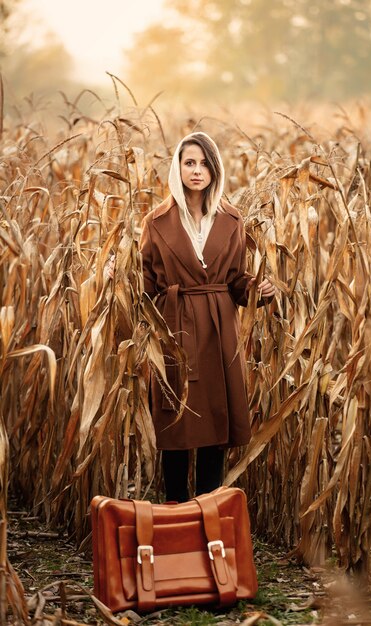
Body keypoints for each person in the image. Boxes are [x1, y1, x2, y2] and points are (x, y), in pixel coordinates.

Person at [108, 132, 275, 502]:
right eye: (189, 163)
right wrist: (118, 280)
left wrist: (257, 291)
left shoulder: (232, 218)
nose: (196, 170)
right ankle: (175, 513)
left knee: (216, 423)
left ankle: (208, 513)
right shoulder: (156, 221)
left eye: (203, 163)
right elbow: (146, 282)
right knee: (177, 425)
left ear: (214, 169)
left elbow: (235, 280)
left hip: (220, 334)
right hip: (175, 330)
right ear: (178, 168)